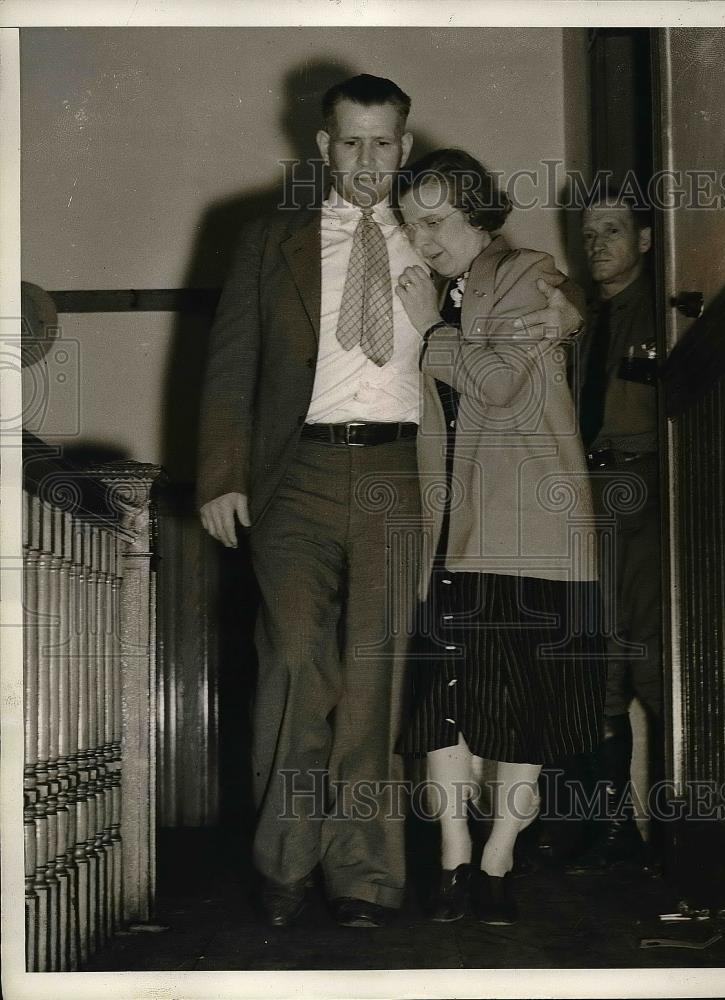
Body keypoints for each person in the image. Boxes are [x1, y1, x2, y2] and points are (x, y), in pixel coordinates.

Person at [197, 74, 426, 929]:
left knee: (374, 678)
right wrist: (221, 475)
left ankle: (364, 875)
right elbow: (230, 367)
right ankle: (285, 861)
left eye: (384, 142)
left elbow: (512, 304)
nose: (368, 160)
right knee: (296, 660)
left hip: (399, 476)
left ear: (404, 147)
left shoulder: (433, 237)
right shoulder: (269, 240)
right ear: (324, 148)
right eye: (351, 142)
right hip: (294, 478)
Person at [394, 149, 606, 925]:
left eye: (436, 221)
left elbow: (498, 382)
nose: (420, 239)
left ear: (479, 214)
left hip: (528, 528)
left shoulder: (527, 274)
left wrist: (429, 329)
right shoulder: (425, 287)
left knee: (522, 710)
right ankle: (454, 858)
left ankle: (498, 858)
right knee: (443, 705)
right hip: (449, 530)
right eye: (411, 224)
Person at [566, 184, 661, 871]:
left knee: (652, 657)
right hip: (589, 495)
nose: (598, 244)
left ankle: (674, 831)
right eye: (589, 233)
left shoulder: (667, 310)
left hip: (651, 494)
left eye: (613, 231)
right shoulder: (583, 319)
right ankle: (609, 827)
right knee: (597, 664)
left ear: (646, 240)